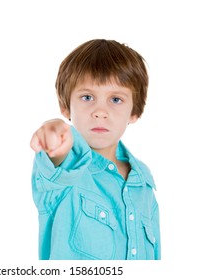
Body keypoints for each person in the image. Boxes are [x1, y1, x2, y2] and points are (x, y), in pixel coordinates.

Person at [30, 39, 160, 260]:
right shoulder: (67, 167)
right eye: (87, 97)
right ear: (66, 106)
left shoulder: (143, 180)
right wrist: (52, 134)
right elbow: (57, 158)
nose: (100, 111)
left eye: (116, 99)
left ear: (134, 112)